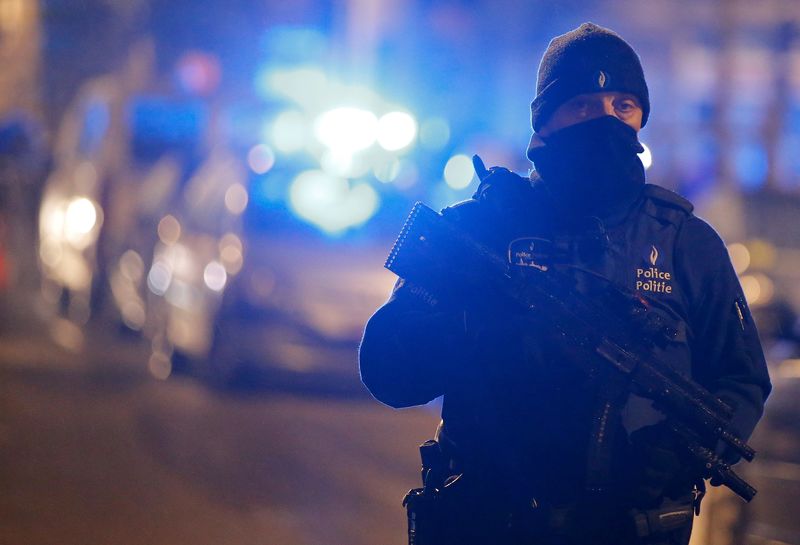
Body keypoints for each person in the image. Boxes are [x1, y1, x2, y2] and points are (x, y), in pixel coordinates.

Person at [359, 22, 771, 545]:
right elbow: (390, 374)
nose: (606, 119)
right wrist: (465, 315)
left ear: (642, 117)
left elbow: (742, 381)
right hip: (490, 524)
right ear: (545, 123)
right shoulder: (481, 229)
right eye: (583, 104)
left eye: (623, 105)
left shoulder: (685, 243)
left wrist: (682, 451)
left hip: (631, 528)